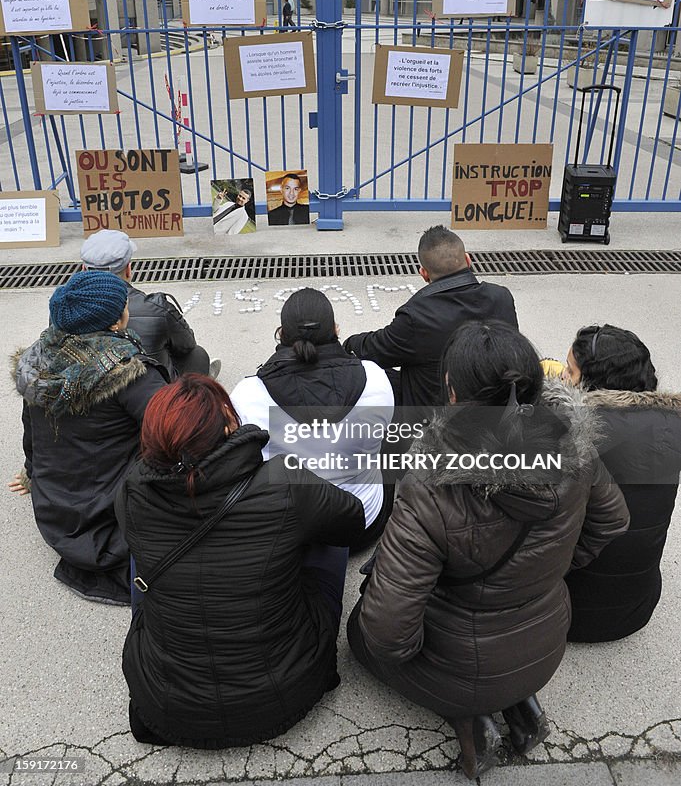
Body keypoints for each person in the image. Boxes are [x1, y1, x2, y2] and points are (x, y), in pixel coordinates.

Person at [347, 321, 629, 780]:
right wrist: (549, 569)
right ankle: (516, 705)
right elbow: (614, 520)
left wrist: (435, 652)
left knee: (358, 635)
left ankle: (472, 719)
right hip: (547, 642)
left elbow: (387, 635)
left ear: (453, 395)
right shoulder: (576, 450)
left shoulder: (432, 487)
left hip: (464, 668)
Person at [116, 374, 364, 747]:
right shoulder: (284, 480)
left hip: (167, 706)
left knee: (144, 556)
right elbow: (353, 523)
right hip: (287, 690)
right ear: (229, 423)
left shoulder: (132, 492)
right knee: (326, 527)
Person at [10, 271, 168, 603]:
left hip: (57, 518)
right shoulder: (129, 373)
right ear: (115, 323)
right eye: (124, 305)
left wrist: (31, 473)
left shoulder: (36, 362)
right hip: (111, 526)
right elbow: (179, 432)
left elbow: (32, 435)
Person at [231, 288, 395, 551]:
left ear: (281, 334)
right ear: (336, 329)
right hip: (362, 524)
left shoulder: (248, 394)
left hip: (288, 533)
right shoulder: (374, 378)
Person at [562, 324, 681, 642]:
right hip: (638, 607)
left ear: (592, 384)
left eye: (569, 372)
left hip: (571, 614)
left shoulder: (574, 439)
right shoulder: (671, 425)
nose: (562, 377)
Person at [344, 226, 518, 409]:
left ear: (424, 273)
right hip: (499, 410)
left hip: (436, 419)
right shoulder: (502, 297)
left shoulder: (416, 316)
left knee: (369, 373)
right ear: (468, 260)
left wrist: (349, 344)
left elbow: (373, 349)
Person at [80, 229, 220, 379]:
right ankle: (195, 392)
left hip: (90, 391)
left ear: (83, 269)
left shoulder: (65, 310)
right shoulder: (156, 308)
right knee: (197, 355)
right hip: (151, 393)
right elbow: (186, 344)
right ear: (128, 270)